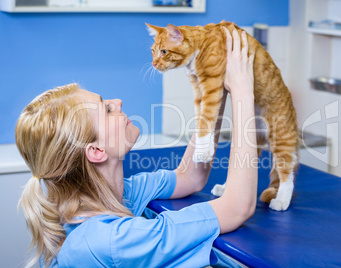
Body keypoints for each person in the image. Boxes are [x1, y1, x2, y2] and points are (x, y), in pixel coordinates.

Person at [16, 27, 257, 267]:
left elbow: (190, 177)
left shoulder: (116, 195)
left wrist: (215, 93)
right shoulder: (112, 241)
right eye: (107, 109)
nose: (118, 102)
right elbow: (237, 208)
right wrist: (243, 92)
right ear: (96, 151)